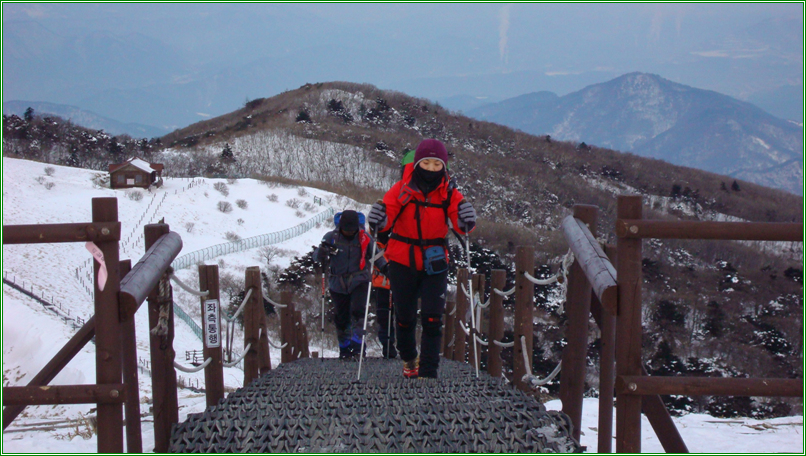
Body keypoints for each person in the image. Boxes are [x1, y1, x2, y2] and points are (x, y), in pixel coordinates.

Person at [368, 139, 477, 378]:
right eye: (426, 162)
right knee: (405, 317)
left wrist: (466, 218)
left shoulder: (449, 193)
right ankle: (409, 359)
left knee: (432, 317)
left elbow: (460, 223)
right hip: (401, 261)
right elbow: (387, 217)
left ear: (444, 166)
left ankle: (428, 372)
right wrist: (378, 219)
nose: (430, 168)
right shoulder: (401, 189)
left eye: (436, 164)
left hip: (434, 263)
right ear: (417, 162)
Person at [314, 210, 387, 359]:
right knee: (341, 318)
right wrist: (321, 252)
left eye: (352, 229)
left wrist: (387, 268)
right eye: (346, 229)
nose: (349, 232)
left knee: (358, 312)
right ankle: (344, 348)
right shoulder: (331, 238)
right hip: (337, 283)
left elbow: (377, 255)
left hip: (359, 280)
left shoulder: (364, 238)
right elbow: (316, 257)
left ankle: (358, 345)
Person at [371, 230, 397, 359]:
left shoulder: (398, 239)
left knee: (402, 317)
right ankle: (388, 347)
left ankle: (402, 346)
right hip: (381, 286)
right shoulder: (373, 242)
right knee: (384, 318)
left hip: (398, 284)